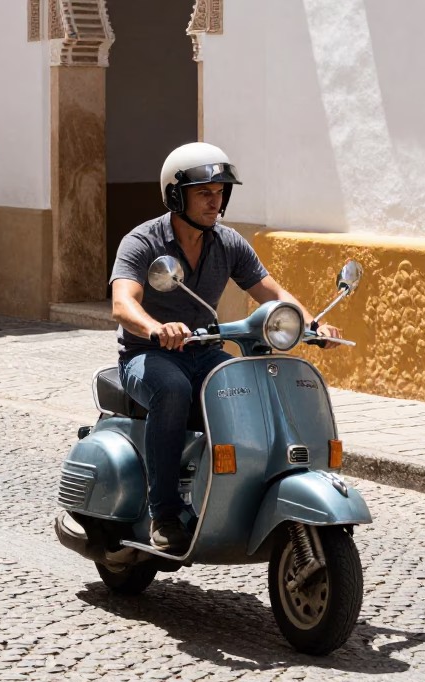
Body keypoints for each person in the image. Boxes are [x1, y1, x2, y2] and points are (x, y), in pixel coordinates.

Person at [110, 142, 342, 555]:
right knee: (173, 390)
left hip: (203, 352)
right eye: (204, 192)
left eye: (220, 192)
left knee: (245, 388)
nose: (214, 202)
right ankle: (164, 513)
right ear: (175, 196)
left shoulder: (228, 243)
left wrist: (311, 324)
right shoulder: (142, 241)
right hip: (148, 356)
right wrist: (156, 328)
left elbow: (271, 292)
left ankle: (235, 494)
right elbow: (123, 303)